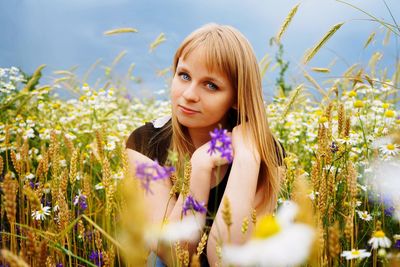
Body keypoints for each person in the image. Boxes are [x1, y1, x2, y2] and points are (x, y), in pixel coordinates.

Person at [126, 23, 285, 266]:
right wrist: (199, 170)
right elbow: (172, 256)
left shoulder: (265, 152)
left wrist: (247, 159)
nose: (189, 94)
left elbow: (229, 260)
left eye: (211, 85)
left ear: (237, 98)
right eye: (184, 75)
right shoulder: (144, 143)